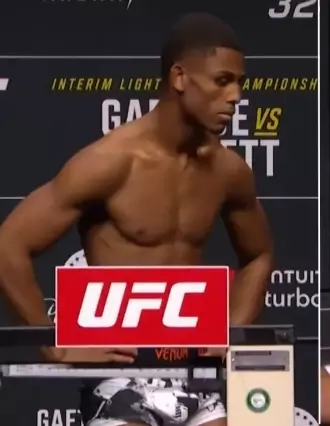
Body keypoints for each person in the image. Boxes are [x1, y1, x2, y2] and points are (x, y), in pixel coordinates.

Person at [0, 13, 273, 426]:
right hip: (121, 374)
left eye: (239, 83)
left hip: (191, 370)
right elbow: (9, 245)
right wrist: (56, 346)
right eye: (222, 81)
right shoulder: (110, 162)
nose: (235, 96)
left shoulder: (228, 171)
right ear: (179, 78)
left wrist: (232, 330)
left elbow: (259, 255)